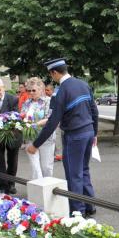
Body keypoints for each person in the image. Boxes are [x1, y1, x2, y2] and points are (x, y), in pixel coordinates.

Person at [27, 58, 98, 217]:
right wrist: (95, 133)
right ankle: (90, 205)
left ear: (54, 72)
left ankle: (77, 211)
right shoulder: (83, 84)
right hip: (88, 133)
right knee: (84, 170)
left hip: (75, 136)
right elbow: (94, 111)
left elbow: (53, 122)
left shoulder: (60, 91)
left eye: (51, 75)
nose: (51, 78)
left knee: (74, 174)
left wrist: (36, 144)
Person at [22, 77, 55, 179]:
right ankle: (38, 191)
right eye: (29, 90)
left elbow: (50, 118)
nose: (31, 93)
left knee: (46, 167)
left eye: (33, 90)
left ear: (41, 89)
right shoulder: (27, 103)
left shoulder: (48, 101)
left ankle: (48, 190)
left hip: (45, 138)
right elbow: (22, 116)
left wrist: (36, 124)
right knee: (35, 168)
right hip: (30, 138)